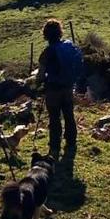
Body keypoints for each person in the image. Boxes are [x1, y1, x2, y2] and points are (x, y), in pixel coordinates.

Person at [35, 18, 82, 158]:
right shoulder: (69, 46)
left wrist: (38, 83)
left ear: (46, 35)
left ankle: (55, 146)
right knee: (69, 115)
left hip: (53, 89)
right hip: (68, 87)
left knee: (54, 118)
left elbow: (41, 75)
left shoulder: (47, 52)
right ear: (60, 32)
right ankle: (71, 142)